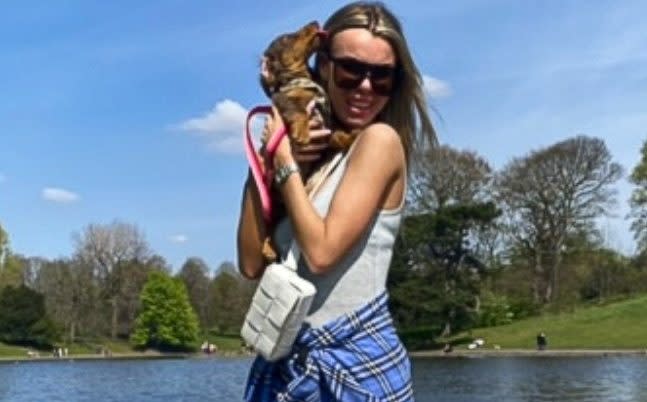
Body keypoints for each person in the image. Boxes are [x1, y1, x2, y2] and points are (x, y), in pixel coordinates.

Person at [237, 2, 436, 400]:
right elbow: (250, 263)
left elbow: (323, 253)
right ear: (323, 65)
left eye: (382, 77)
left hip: (356, 365)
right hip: (287, 365)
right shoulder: (311, 153)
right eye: (351, 70)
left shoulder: (380, 143)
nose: (365, 87)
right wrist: (264, 162)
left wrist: (284, 164)